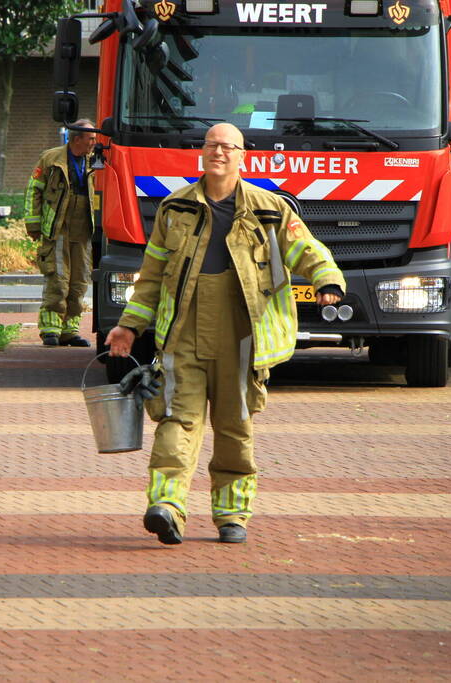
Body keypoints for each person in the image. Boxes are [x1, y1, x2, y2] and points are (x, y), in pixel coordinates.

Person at [106, 123, 345, 545]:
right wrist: (129, 326)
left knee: (235, 426)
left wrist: (328, 281)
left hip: (242, 337)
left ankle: (232, 514)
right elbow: (152, 277)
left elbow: (305, 248)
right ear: (202, 152)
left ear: (242, 156)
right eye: (212, 145)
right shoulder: (174, 209)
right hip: (183, 334)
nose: (219, 152)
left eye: (227, 147)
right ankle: (167, 507)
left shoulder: (269, 209)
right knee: (176, 421)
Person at [24, 119, 97, 347]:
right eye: (91, 139)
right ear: (77, 139)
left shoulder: (96, 161)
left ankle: (69, 330)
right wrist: (34, 225)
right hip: (59, 229)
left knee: (80, 281)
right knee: (58, 279)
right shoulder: (50, 159)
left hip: (84, 229)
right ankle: (50, 329)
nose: (95, 143)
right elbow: (33, 191)